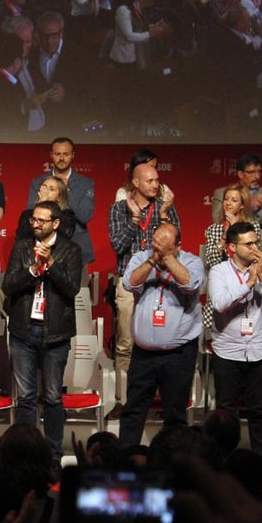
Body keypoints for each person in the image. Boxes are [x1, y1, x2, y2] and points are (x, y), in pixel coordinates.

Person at [3, 200, 84, 467]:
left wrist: (50, 264)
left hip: (55, 333)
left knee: (52, 397)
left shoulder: (71, 251)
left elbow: (72, 288)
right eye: (33, 219)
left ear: (55, 223)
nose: (35, 224)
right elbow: (8, 285)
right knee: (26, 397)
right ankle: (26, 456)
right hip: (23, 331)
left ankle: (53, 457)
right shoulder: (22, 248)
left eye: (41, 220)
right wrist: (31, 270)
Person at [118, 223, 204, 450]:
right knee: (133, 410)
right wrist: (153, 260)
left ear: (178, 245)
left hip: (178, 354)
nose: (157, 247)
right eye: (155, 242)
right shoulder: (141, 258)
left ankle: (172, 461)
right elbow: (129, 283)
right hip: (143, 354)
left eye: (164, 244)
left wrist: (167, 258)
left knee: (175, 414)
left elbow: (190, 283)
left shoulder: (192, 261)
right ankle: (125, 460)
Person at [208, 223, 262, 463]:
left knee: (258, 412)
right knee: (226, 412)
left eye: (256, 242)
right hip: (228, 351)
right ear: (232, 247)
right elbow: (220, 303)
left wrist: (261, 276)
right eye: (248, 243)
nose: (255, 248)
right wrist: (248, 284)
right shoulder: (219, 271)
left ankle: (261, 464)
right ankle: (223, 463)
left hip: (260, 350)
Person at [108, 159, 180, 391]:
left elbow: (175, 245)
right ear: (136, 183)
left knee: (157, 340)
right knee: (125, 343)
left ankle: (153, 395)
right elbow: (118, 245)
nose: (156, 185)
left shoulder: (165, 208)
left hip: (158, 282)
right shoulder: (119, 209)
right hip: (128, 281)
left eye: (157, 180)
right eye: (150, 181)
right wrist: (135, 219)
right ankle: (122, 397)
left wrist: (164, 217)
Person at [23, 137, 95, 272]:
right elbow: (30, 215)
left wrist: (64, 191)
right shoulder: (38, 182)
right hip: (43, 247)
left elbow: (85, 216)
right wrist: (43, 202)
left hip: (76, 247)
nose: (61, 158)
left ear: (73, 155)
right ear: (51, 155)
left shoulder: (85, 183)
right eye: (57, 154)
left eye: (65, 154)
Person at [210, 153, 262, 268]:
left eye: (259, 172)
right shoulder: (223, 193)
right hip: (230, 256)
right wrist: (247, 207)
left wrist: (259, 211)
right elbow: (217, 218)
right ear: (240, 174)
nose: (257, 176)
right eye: (251, 172)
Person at [16, 176, 76, 243]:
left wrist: (46, 207)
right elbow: (21, 238)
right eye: (44, 188)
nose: (46, 192)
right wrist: (41, 207)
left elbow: (65, 235)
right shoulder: (27, 214)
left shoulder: (67, 215)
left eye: (51, 189)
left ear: (59, 197)